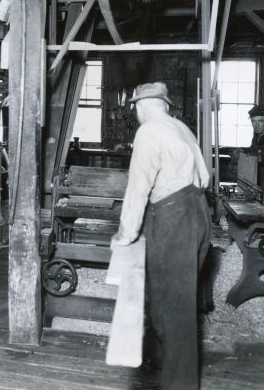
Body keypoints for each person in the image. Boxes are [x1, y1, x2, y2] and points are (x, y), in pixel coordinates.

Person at [111, 82, 211, 390]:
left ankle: (180, 384)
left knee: (174, 309)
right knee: (171, 300)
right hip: (198, 213)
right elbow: (205, 178)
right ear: (165, 105)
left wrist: (126, 235)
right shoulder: (182, 128)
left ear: (140, 107)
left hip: (174, 219)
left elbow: (138, 188)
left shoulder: (148, 132)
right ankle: (161, 362)